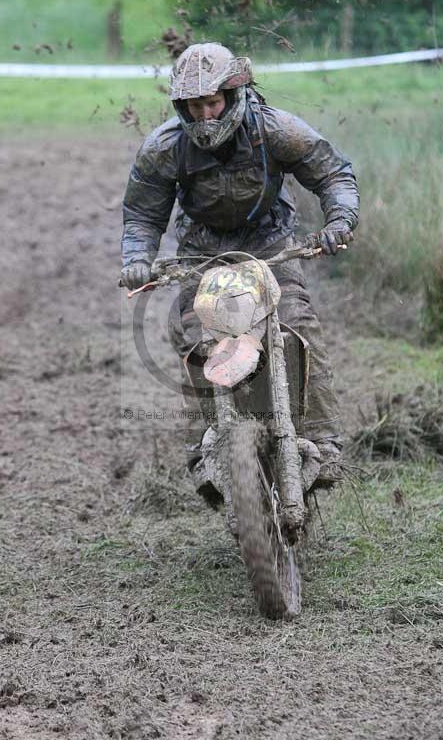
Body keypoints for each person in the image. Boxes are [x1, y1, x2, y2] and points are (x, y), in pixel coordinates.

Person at [120, 42, 359, 482]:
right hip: (200, 250)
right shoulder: (165, 147)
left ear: (233, 95)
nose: (205, 115)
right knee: (196, 338)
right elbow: (142, 213)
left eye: (212, 103)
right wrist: (137, 258)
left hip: (270, 241)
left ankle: (324, 443)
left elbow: (331, 173)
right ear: (181, 105)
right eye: (194, 106)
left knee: (296, 324)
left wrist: (339, 220)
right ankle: (203, 456)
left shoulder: (274, 129)